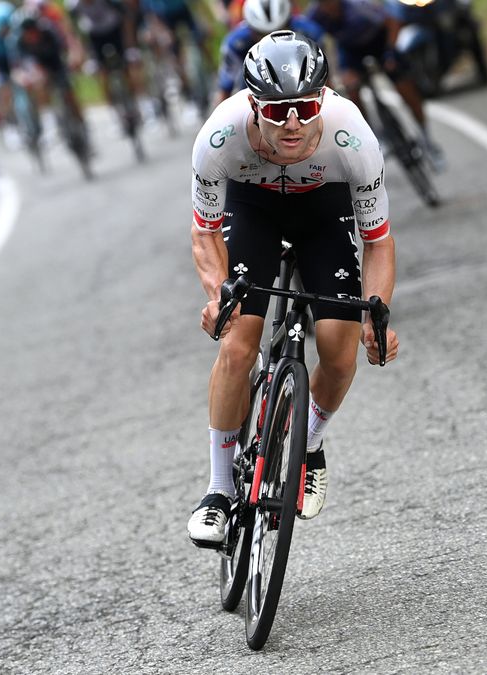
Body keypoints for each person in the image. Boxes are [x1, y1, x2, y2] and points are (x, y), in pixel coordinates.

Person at [186, 31, 400, 546]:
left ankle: (308, 445)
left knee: (340, 351)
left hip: (323, 213)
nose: (293, 122)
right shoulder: (219, 137)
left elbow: (379, 242)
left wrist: (377, 314)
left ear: (323, 98)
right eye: (277, 110)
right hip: (252, 208)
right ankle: (217, 490)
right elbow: (205, 233)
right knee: (239, 344)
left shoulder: (352, 137)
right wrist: (219, 296)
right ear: (252, 105)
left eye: (305, 107)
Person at [305, 0, 443, 168]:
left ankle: (426, 137)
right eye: (323, 4)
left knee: (404, 86)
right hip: (351, 51)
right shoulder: (314, 16)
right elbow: (319, 47)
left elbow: (392, 20)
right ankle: (374, 136)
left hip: (381, 41)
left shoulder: (357, 6)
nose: (328, 7)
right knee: (351, 89)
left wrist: (391, 52)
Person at [213, 0, 323, 103]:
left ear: (289, 22)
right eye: (262, 34)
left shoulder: (310, 32)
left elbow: (325, 79)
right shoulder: (236, 43)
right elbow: (225, 89)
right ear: (251, 30)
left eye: (280, 32)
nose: (272, 44)